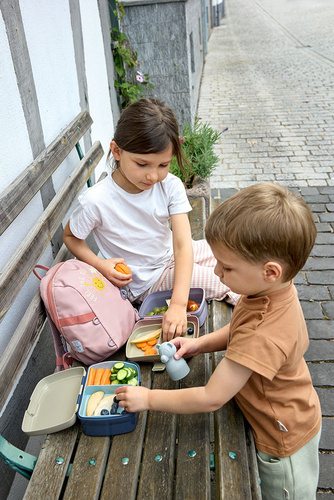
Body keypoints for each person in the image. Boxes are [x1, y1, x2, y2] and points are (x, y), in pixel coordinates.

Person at [115, 183, 322, 500]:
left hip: (282, 446)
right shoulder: (269, 291)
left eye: (227, 267)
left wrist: (147, 399)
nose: (217, 272)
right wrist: (199, 344)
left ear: (270, 271)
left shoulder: (265, 331)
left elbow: (212, 397)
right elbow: (239, 329)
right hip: (281, 415)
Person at [63, 98, 238, 341]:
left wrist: (178, 302)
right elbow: (71, 236)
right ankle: (259, 332)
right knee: (229, 282)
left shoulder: (170, 185)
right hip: (147, 282)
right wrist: (100, 264)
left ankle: (276, 293)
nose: (153, 175)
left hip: (170, 255)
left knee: (235, 252)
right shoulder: (96, 201)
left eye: (163, 164)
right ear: (117, 151)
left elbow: (182, 244)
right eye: (142, 164)